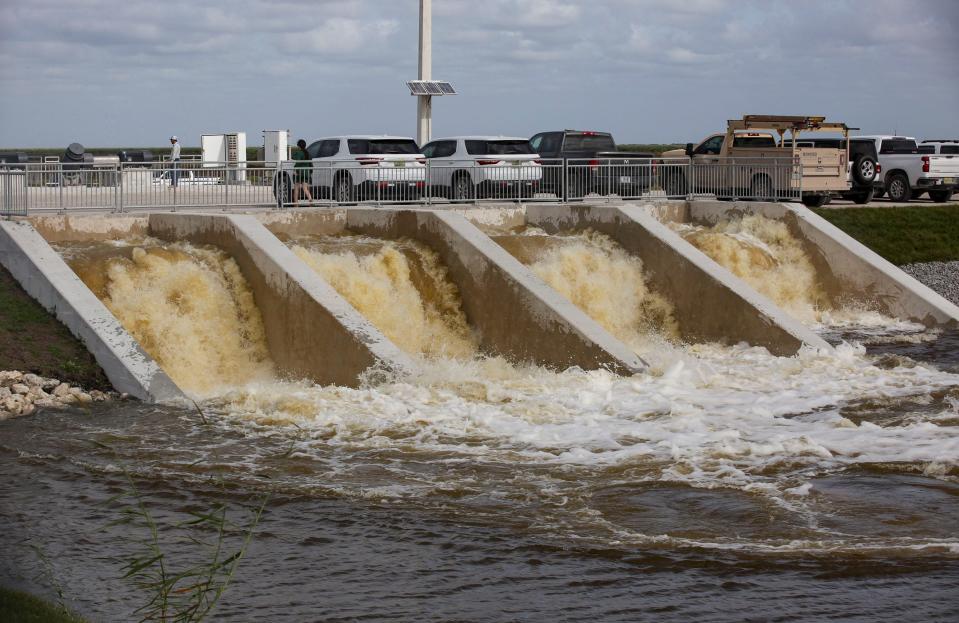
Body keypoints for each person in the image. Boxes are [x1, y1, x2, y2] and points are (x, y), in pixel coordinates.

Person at [292, 139, 313, 205]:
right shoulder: (308, 153)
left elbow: (297, 161)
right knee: (305, 188)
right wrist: (310, 172)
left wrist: (295, 170)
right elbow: (311, 164)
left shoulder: (299, 153)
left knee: (296, 188)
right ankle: (310, 199)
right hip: (306, 172)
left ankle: (296, 204)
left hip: (299, 173)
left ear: (298, 146)